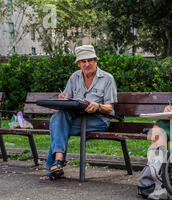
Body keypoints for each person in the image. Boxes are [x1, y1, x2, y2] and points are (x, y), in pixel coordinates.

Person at [40, 45, 117, 181]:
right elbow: (67, 97)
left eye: (90, 60)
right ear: (78, 64)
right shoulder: (74, 77)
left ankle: (56, 166)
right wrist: (63, 97)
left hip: (99, 119)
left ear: (95, 60)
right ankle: (58, 160)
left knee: (57, 125)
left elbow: (109, 108)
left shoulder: (107, 78)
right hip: (77, 117)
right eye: (83, 61)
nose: (87, 64)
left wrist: (97, 106)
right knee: (58, 117)